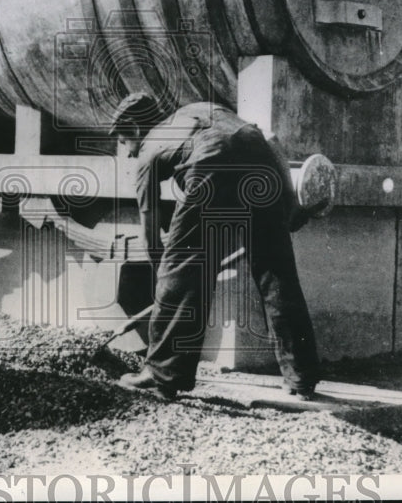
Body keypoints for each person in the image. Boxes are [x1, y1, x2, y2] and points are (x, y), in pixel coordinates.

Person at [109, 93, 321, 401]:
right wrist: (287, 204)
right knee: (277, 273)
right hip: (260, 158)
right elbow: (271, 140)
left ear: (135, 129)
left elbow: (150, 231)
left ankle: (162, 374)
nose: (127, 152)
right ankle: (301, 377)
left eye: (123, 141)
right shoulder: (197, 109)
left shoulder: (148, 149)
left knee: (182, 270)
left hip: (211, 164)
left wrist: (166, 278)